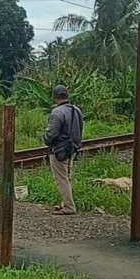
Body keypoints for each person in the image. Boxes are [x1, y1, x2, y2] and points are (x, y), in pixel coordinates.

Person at [43, 85, 83, 215]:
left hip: (59, 151)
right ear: (67, 95)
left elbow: (51, 133)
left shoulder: (57, 112)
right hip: (72, 148)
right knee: (68, 177)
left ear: (55, 97)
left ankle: (69, 207)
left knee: (61, 179)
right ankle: (65, 203)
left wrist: (46, 139)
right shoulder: (76, 110)